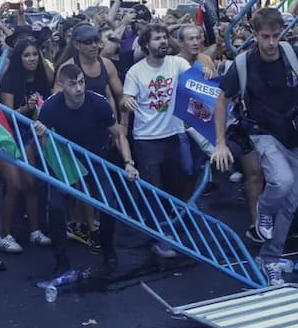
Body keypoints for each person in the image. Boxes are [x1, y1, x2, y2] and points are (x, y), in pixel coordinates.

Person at [211, 8, 298, 285]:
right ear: (254, 36)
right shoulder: (243, 63)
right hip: (262, 132)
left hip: (294, 135)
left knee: (289, 204)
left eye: (276, 36)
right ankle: (262, 212)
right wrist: (220, 143)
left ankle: (270, 257)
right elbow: (221, 99)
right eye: (265, 37)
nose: (272, 42)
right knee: (282, 181)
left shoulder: (294, 54)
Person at [35, 62, 140, 276]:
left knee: (109, 204)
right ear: (62, 85)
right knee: (55, 207)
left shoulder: (98, 103)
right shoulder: (50, 107)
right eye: (73, 84)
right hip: (66, 158)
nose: (79, 88)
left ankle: (109, 251)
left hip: (95, 157)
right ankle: (61, 260)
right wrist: (42, 135)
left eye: (81, 82)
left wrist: (129, 163)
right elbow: (44, 144)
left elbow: (118, 133)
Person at [121, 23, 191, 258]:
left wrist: (207, 71)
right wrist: (127, 101)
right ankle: (160, 238)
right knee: (153, 189)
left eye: (165, 37)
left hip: (174, 135)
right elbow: (126, 97)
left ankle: (169, 229)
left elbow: (194, 78)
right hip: (146, 139)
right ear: (145, 45)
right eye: (157, 38)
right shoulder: (136, 72)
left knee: (175, 184)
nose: (162, 42)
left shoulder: (177, 63)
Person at [0, 36, 54, 253]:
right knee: (14, 185)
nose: (32, 59)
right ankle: (5, 235)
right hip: (10, 135)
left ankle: (35, 231)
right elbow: (8, 115)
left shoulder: (41, 78)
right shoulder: (11, 80)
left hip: (31, 136)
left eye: (34, 54)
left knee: (31, 184)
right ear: (18, 58)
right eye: (26, 55)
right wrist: (27, 108)